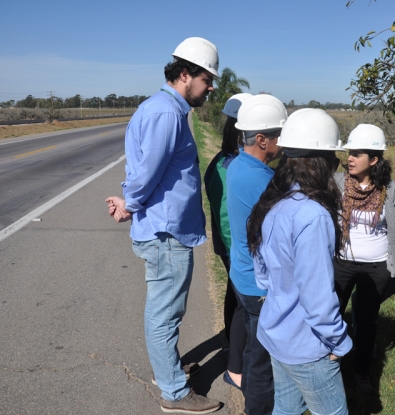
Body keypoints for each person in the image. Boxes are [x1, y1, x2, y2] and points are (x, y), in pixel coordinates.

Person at [105, 37, 221, 414]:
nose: (211, 87)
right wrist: (131, 204)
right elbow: (147, 172)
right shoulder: (166, 113)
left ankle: (168, 369)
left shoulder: (167, 109)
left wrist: (131, 201)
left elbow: (145, 169)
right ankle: (174, 391)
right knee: (165, 313)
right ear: (185, 74)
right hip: (165, 233)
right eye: (207, 79)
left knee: (166, 309)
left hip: (166, 229)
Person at [248, 108, 352, 415]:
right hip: (308, 346)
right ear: (323, 163)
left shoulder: (272, 201)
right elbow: (317, 297)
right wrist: (339, 343)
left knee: (285, 408)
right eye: (334, 161)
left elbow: (263, 275)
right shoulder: (313, 215)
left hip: (276, 332)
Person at [226, 94, 287, 415]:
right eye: (280, 135)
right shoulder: (262, 180)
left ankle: (250, 395)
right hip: (259, 286)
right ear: (261, 139)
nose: (284, 142)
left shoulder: (238, 164)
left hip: (243, 274)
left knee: (253, 349)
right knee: (264, 365)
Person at [332, 124, 395, 392]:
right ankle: (329, 362)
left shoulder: (392, 189)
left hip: (376, 267)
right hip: (341, 262)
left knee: (366, 321)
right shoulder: (338, 183)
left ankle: (361, 370)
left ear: (374, 160)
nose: (350, 158)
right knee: (332, 313)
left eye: (357, 154)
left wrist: (391, 266)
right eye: (350, 152)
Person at [203, 92, 253, 390]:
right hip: (235, 246)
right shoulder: (229, 165)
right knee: (241, 304)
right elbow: (226, 216)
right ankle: (236, 365)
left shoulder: (222, 161)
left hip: (229, 246)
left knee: (233, 297)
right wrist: (238, 250)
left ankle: (229, 347)